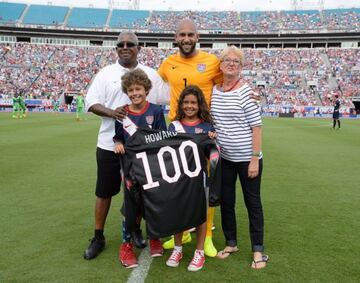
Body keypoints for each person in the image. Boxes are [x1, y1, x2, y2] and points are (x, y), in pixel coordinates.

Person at [83, 31, 168, 261]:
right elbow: (90, 102)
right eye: (121, 44)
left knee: (139, 193)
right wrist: (113, 113)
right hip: (110, 145)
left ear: (139, 48)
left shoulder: (151, 74)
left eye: (130, 44)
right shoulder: (106, 73)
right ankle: (98, 236)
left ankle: (136, 230)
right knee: (104, 192)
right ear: (116, 48)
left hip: (142, 149)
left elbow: (164, 100)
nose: (125, 47)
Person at [158, 18, 221, 257]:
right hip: (176, 133)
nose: (186, 39)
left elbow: (224, 86)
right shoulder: (167, 64)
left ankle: (207, 237)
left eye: (190, 35)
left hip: (204, 131)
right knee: (179, 184)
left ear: (197, 38)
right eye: (182, 35)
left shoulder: (212, 62)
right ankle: (182, 231)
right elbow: (156, 86)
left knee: (205, 184)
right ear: (176, 38)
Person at [211, 46, 269, 269]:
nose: (231, 63)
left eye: (236, 61)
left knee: (252, 203)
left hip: (247, 159)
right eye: (227, 59)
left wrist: (254, 158)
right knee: (227, 202)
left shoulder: (247, 92)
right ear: (221, 64)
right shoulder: (215, 90)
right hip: (225, 158)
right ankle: (231, 243)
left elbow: (257, 127)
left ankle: (257, 250)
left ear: (241, 66)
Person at [114, 69, 166, 268]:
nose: (134, 93)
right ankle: (126, 245)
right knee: (131, 206)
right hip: (129, 167)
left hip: (152, 166)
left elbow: (162, 137)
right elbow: (118, 137)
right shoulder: (122, 113)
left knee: (153, 202)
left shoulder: (156, 111)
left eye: (138, 89)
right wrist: (118, 143)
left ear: (146, 89)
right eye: (130, 90)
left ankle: (154, 238)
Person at [166, 85, 216, 271]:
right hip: (178, 178)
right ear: (181, 104)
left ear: (199, 104)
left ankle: (199, 252)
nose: (189, 106)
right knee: (178, 212)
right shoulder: (174, 125)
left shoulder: (207, 126)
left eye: (193, 102)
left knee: (200, 216)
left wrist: (212, 140)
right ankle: (178, 248)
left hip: (200, 179)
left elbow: (211, 153)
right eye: (186, 102)